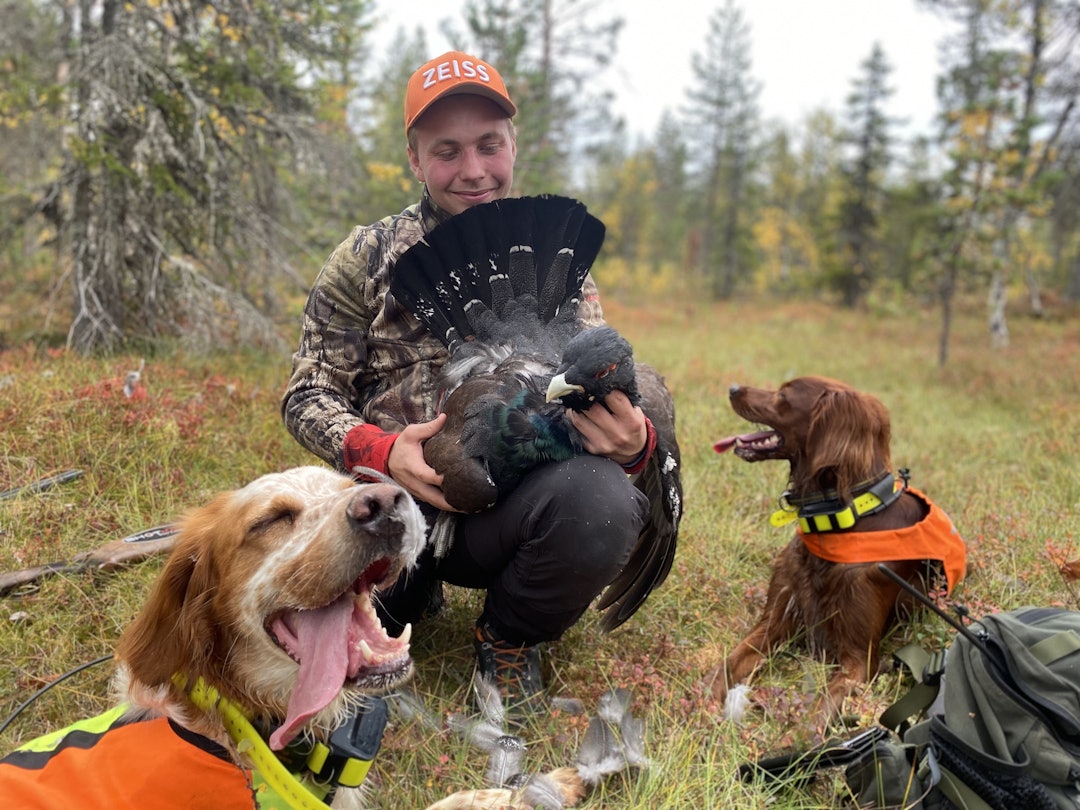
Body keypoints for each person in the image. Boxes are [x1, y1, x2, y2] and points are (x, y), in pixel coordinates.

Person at [281, 51, 656, 711]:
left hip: (505, 510)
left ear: (513, 145)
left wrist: (633, 444)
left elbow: (596, 394)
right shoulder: (366, 257)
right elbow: (306, 395)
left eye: (489, 145)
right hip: (387, 505)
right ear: (415, 159)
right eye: (448, 151)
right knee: (323, 608)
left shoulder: (560, 270)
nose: (474, 170)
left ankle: (509, 637)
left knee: (600, 497)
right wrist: (379, 448)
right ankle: (404, 592)